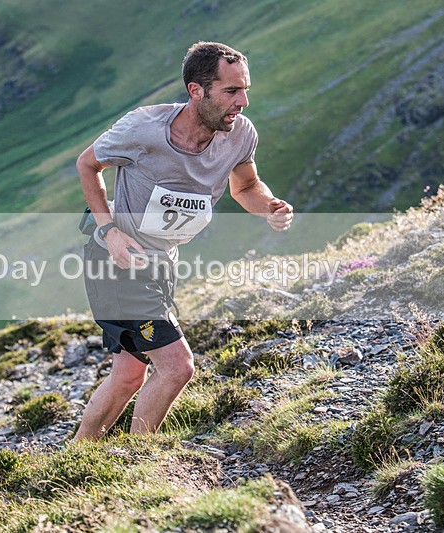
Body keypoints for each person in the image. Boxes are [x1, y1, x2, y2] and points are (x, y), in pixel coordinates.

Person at [74, 41, 293, 440]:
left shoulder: (240, 134)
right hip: (117, 261)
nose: (243, 102)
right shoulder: (143, 128)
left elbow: (246, 186)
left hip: (161, 262)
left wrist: (270, 207)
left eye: (245, 90)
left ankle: (78, 456)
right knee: (177, 367)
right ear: (196, 90)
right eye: (231, 91)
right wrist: (110, 233)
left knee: (129, 374)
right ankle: (139, 457)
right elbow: (88, 165)